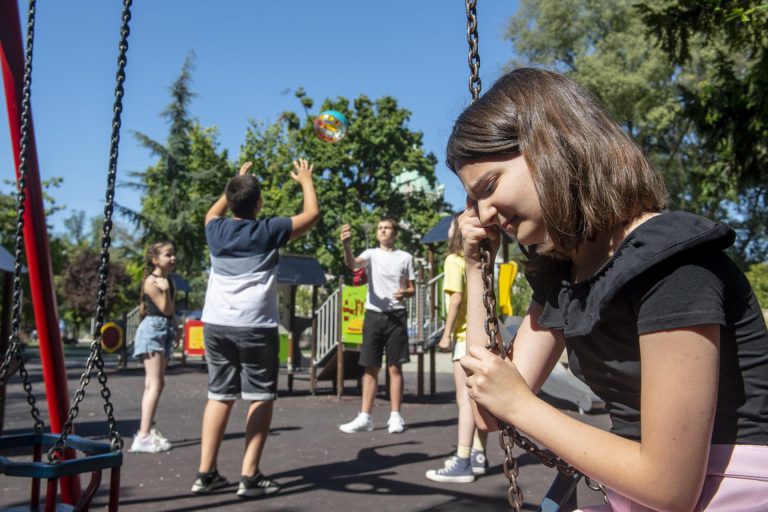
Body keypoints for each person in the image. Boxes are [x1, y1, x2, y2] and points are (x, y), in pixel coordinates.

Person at [450, 68, 768, 511]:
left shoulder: (671, 263)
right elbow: (487, 410)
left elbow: (669, 487)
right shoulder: (563, 276)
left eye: (489, 186)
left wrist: (522, 405)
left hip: (731, 490)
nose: (482, 214)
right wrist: (474, 267)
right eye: (472, 200)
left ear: (549, 148)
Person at [191, 159, 319, 498]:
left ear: (230, 201)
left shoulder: (214, 230)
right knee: (260, 396)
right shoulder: (268, 230)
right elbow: (311, 216)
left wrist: (237, 181)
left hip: (217, 324)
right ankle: (249, 476)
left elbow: (211, 213)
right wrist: (305, 180)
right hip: (256, 327)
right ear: (259, 204)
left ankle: (206, 473)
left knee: (219, 395)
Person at [338, 218, 416, 434]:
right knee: (370, 367)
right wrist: (346, 245)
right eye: (380, 228)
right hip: (373, 315)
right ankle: (365, 417)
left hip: (396, 316)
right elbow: (353, 264)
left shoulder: (405, 258)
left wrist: (406, 293)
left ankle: (395, 416)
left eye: (387, 227)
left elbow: (412, 288)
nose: (382, 230)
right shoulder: (371, 254)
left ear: (394, 232)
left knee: (395, 368)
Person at [425, 215, 488, 482]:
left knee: (464, 400)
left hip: (463, 336)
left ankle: (462, 460)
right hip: (482, 336)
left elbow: (455, 299)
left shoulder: (453, 261)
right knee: (479, 399)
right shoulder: (481, 262)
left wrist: (446, 333)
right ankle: (479, 455)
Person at [130, 241, 178, 454]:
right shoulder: (153, 281)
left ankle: (145, 432)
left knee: (154, 384)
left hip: (164, 331)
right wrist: (166, 291)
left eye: (173, 254)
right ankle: (143, 435)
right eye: (168, 255)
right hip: (153, 330)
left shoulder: (168, 281)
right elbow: (165, 308)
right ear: (155, 260)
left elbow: (172, 313)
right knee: (155, 384)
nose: (173, 258)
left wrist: (176, 330)